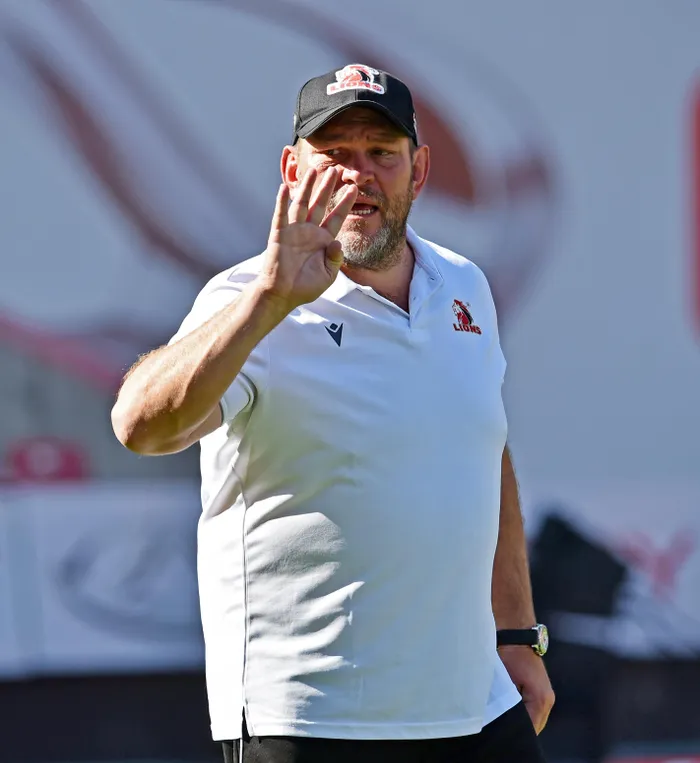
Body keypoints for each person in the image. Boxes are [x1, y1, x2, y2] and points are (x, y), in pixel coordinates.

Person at [112, 64, 555, 763]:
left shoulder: (465, 284)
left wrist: (517, 633)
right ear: (293, 171)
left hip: (475, 708)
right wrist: (268, 300)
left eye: (381, 152)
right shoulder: (245, 299)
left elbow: (482, 452)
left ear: (419, 170)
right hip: (311, 719)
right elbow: (140, 427)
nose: (359, 174)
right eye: (335, 153)